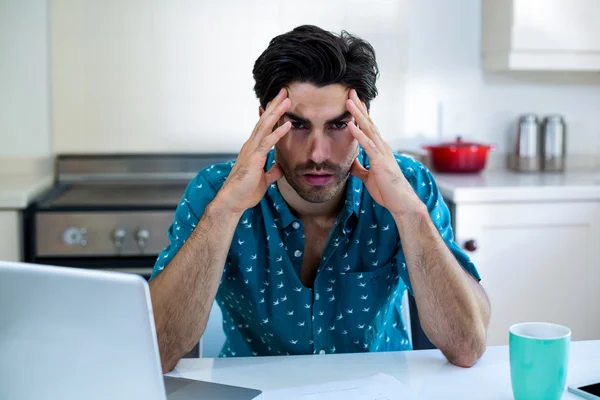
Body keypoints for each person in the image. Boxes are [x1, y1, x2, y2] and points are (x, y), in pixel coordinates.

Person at [149, 25, 490, 373]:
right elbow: (156, 353)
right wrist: (225, 212)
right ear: (265, 123)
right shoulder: (214, 191)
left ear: (364, 122)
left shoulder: (409, 184)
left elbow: (467, 347)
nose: (317, 153)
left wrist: (410, 215)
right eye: (296, 126)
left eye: (339, 126)